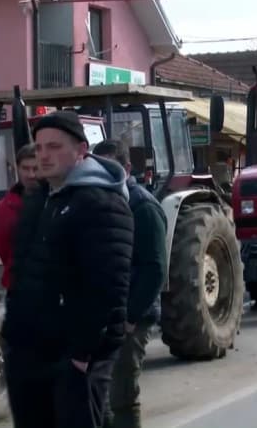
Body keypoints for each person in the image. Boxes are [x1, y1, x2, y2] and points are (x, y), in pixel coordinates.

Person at [2, 111, 134, 428]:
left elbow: (107, 286)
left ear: (81, 150)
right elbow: (23, 271)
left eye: (55, 147)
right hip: (31, 349)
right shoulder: (41, 199)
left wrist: (81, 355)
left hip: (74, 356)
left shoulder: (101, 202)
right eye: (39, 147)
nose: (44, 156)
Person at [93, 139, 167, 428]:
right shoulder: (97, 202)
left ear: (126, 168)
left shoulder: (143, 206)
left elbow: (154, 269)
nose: (101, 174)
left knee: (121, 395)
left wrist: (130, 316)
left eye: (109, 167)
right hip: (102, 314)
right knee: (99, 395)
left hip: (130, 317)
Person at [0, 143, 39, 290]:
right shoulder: (4, 208)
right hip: (18, 284)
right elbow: (4, 250)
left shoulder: (56, 200)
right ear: (17, 168)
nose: (31, 175)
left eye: (36, 169)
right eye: (26, 169)